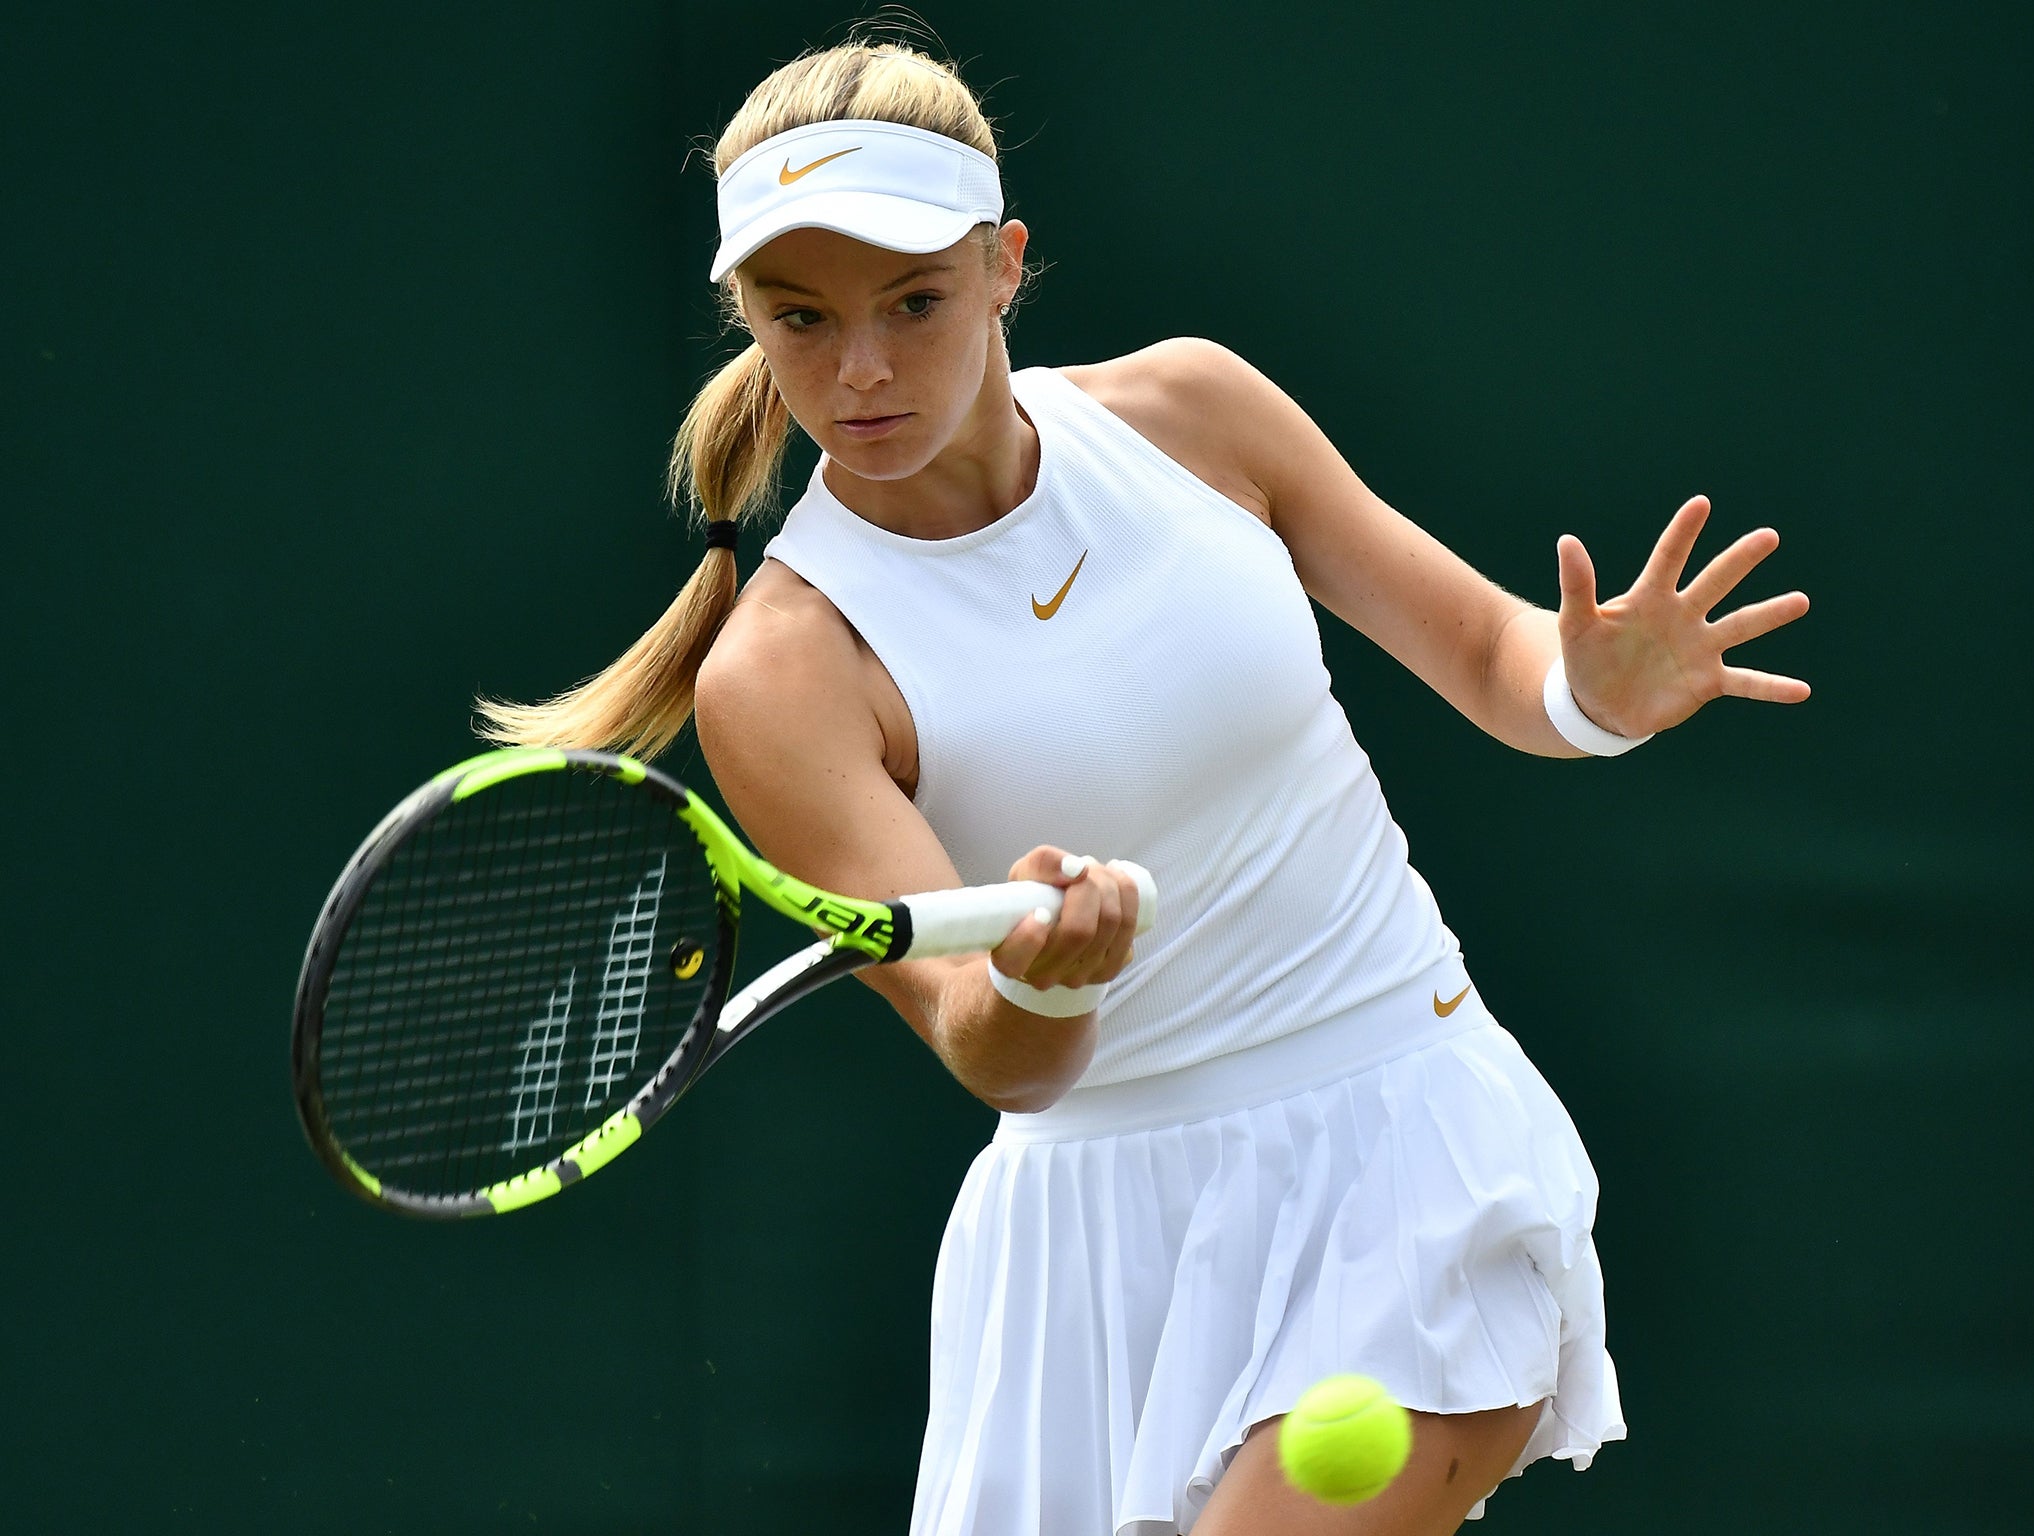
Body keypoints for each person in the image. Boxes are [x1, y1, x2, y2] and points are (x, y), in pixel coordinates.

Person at [480, 39, 1809, 1536]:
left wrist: (1589, 695)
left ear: (1004, 266)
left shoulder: (1195, 414)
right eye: (802, 319)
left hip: (1410, 1153)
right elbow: (993, 1057)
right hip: (1091, 1260)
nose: (860, 368)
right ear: (748, 319)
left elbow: (1498, 659)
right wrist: (1046, 984)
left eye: (914, 302)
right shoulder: (783, 676)